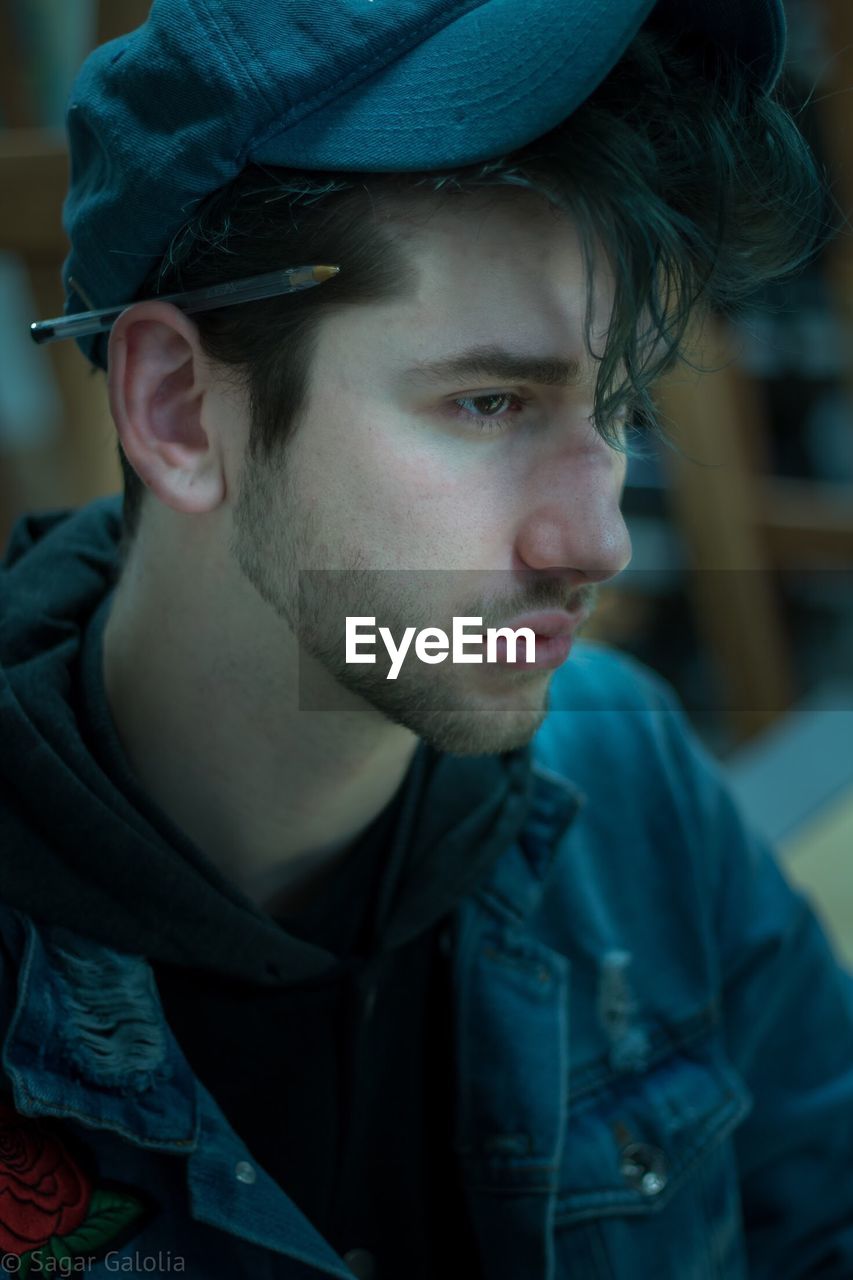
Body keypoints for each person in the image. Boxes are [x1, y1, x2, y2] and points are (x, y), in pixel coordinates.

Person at [1, 0, 852, 1276]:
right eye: (490, 401)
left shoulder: (629, 788)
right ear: (178, 408)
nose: (597, 538)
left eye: (614, 408)